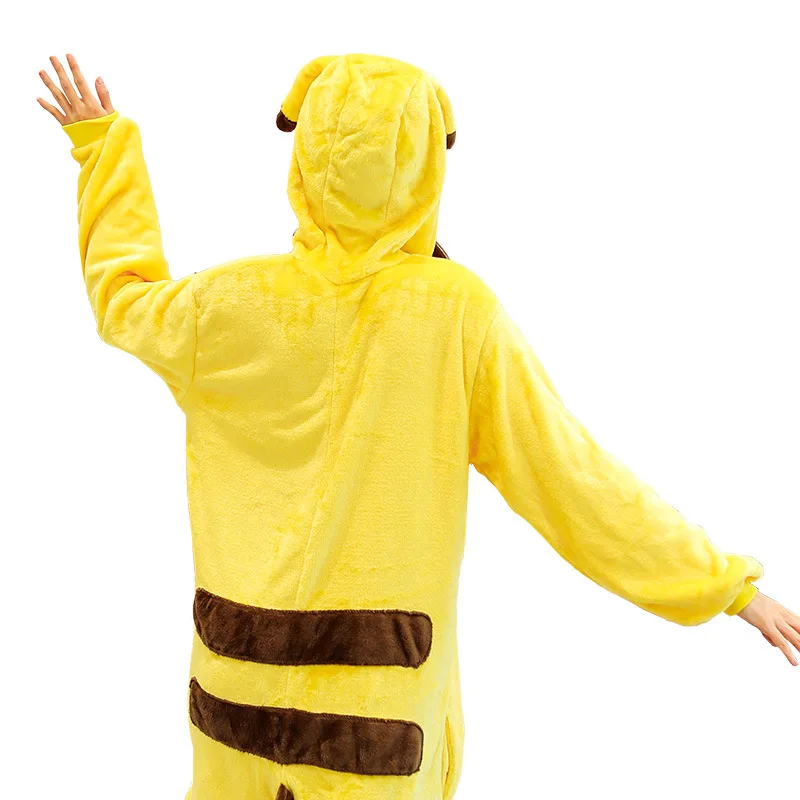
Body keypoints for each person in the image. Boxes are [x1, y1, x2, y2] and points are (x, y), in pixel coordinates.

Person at [38, 52, 800, 800]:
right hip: (376, 705)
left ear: (305, 153)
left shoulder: (227, 303)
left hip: (236, 678)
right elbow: (570, 476)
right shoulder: (454, 312)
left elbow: (124, 300)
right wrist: (723, 587)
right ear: (425, 164)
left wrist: (103, 148)